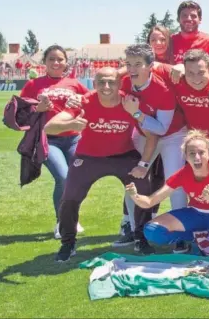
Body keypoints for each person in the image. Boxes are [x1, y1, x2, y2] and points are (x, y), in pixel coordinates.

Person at [45, 68, 154, 262]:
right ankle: (67, 243)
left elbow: (152, 134)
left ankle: (141, 237)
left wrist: (143, 165)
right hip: (88, 157)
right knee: (70, 196)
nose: (106, 86)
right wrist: (70, 125)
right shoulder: (85, 101)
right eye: (101, 82)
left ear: (120, 84)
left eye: (111, 82)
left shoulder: (128, 102)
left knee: (144, 187)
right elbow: (49, 126)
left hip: (123, 155)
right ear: (94, 84)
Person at [126, 130, 209, 254]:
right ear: (186, 156)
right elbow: (150, 202)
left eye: (201, 152)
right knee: (152, 231)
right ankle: (196, 237)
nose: (197, 157)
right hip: (196, 215)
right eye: (192, 153)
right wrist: (135, 196)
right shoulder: (182, 173)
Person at [113, 44, 188, 253]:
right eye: (128, 64)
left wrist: (136, 114)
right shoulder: (126, 81)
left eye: (138, 64)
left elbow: (162, 129)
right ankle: (136, 231)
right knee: (133, 178)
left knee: (175, 180)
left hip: (172, 134)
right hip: (145, 134)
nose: (132, 69)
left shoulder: (162, 89)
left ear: (151, 66)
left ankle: (180, 233)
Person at [19, 45, 89, 239]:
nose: (56, 63)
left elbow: (90, 101)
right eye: (52, 59)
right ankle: (61, 222)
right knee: (63, 177)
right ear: (45, 62)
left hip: (74, 138)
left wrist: (80, 102)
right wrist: (38, 109)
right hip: (48, 140)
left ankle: (72, 218)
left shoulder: (74, 83)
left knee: (76, 181)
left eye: (60, 59)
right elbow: (20, 114)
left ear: (66, 62)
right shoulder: (34, 85)